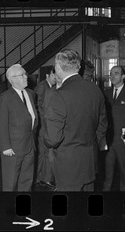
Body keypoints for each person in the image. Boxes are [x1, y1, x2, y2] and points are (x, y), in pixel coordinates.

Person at [44, 49, 108, 191]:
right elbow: (102, 125)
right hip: (89, 160)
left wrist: (45, 140)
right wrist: (90, 143)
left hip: (68, 165)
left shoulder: (58, 95)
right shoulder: (95, 90)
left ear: (58, 67)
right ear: (78, 67)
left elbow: (53, 139)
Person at [0, 64, 38, 191]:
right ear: (12, 79)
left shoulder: (31, 94)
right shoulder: (5, 98)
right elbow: (0, 123)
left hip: (30, 145)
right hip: (13, 148)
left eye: (25, 74)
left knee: (27, 180)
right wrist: (5, 146)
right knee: (10, 182)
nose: (26, 77)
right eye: (22, 75)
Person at [102, 66, 125, 191]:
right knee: (107, 173)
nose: (112, 76)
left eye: (116, 73)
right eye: (110, 74)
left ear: (123, 76)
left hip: (124, 138)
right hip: (108, 139)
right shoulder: (105, 94)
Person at [34, 66, 56, 189]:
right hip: (44, 125)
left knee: (46, 152)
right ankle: (43, 178)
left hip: (47, 125)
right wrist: (48, 118)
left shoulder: (50, 87)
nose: (56, 78)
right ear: (47, 75)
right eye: (54, 75)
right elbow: (37, 106)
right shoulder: (42, 87)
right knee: (45, 152)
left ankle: (44, 178)